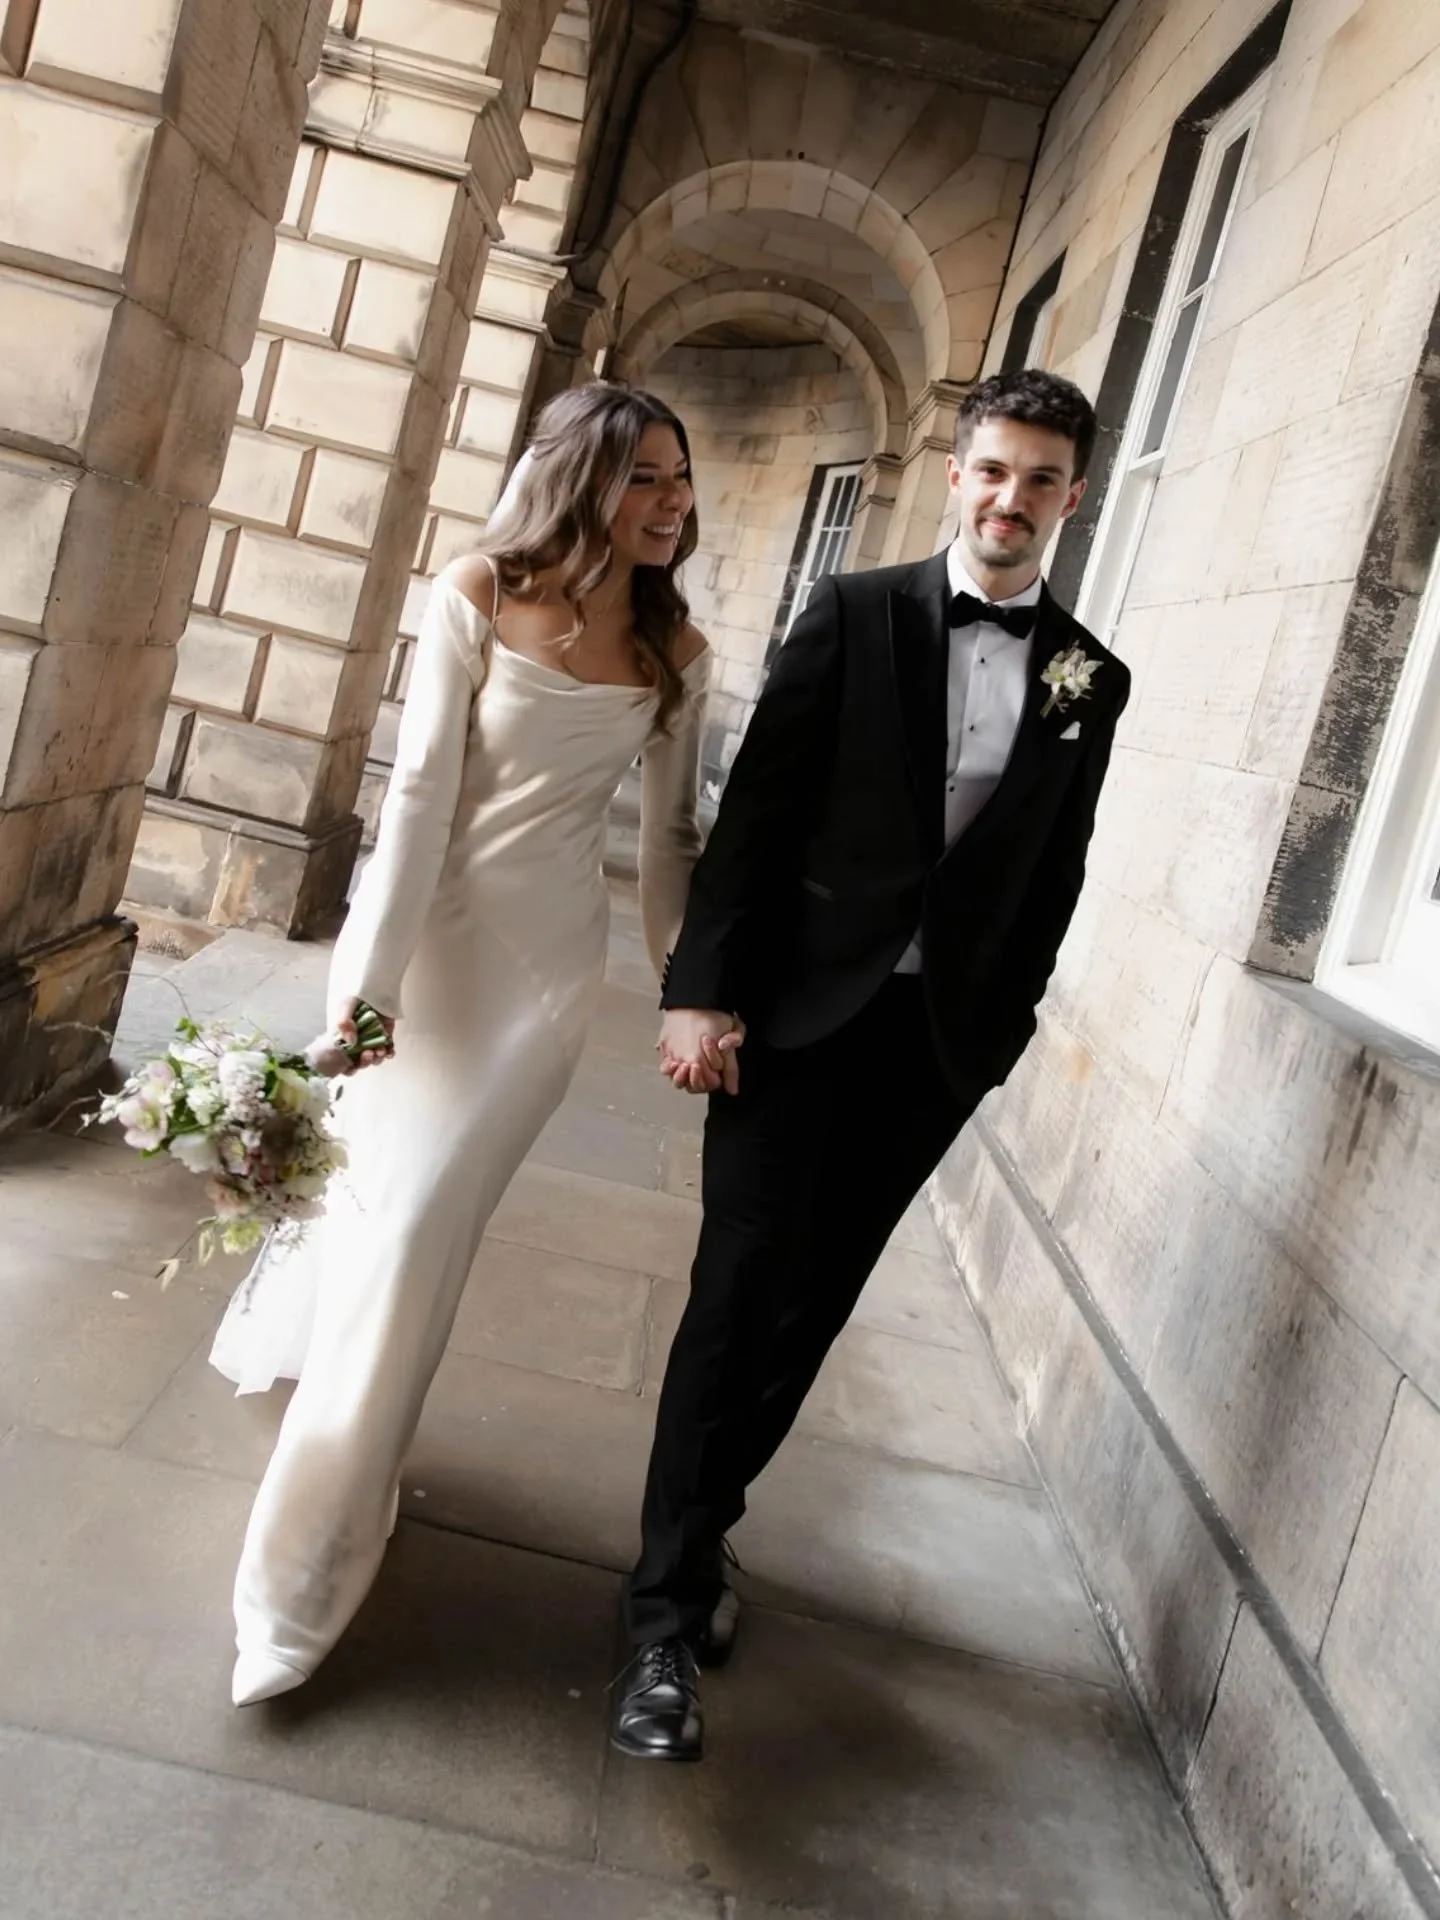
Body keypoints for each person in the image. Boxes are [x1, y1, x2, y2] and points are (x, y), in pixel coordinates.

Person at [610, 368, 1130, 1761]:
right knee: (738, 1295)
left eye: (1041, 479)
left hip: (930, 1049)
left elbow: (1054, 874)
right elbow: (756, 816)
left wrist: (996, 1041)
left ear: (1073, 498)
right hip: (790, 1021)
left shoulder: (1091, 678)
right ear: (956, 475)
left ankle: (699, 1535)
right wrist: (698, 992)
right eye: (993, 470)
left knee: (811, 1310)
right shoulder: (851, 615)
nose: (1012, 498)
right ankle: (660, 1623)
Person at [210, 383, 710, 1708]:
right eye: (648, 476)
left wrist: (687, 992)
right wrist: (364, 990)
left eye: (682, 479)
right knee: (379, 1219)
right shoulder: (479, 591)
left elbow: (669, 843)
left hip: (542, 987)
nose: (674, 502)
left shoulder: (677, 649)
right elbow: (420, 797)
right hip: (427, 956)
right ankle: (339, 1471)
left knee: (421, 1232)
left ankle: (297, 1575)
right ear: (584, 478)